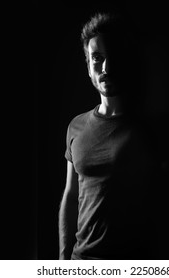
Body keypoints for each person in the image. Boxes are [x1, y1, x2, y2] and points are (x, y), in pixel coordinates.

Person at [58, 12, 162, 260]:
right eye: (97, 58)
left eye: (113, 57)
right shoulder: (76, 126)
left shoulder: (148, 129)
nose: (106, 67)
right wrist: (62, 259)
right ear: (88, 66)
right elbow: (71, 196)